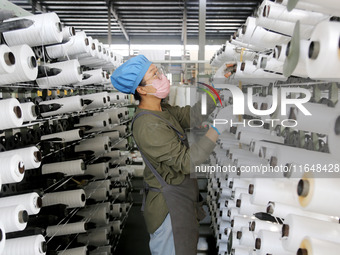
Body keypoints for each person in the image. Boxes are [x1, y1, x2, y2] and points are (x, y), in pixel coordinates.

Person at [111, 55, 227, 255]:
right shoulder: (148, 125)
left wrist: (216, 84)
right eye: (154, 74)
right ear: (141, 89)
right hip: (168, 211)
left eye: (159, 71)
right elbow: (187, 161)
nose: (161, 76)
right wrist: (217, 128)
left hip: (179, 200)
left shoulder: (161, 109)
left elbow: (194, 115)